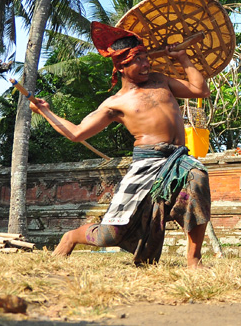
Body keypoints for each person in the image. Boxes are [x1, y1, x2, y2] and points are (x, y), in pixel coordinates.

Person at [28, 21, 211, 268]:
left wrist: (182, 58)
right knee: (112, 234)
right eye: (139, 60)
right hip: (147, 163)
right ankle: (72, 236)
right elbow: (77, 133)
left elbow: (201, 90)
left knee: (197, 177)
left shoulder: (161, 81)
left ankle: (194, 261)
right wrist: (46, 112)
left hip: (178, 158)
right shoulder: (115, 103)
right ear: (122, 66)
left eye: (147, 58)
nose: (147, 64)